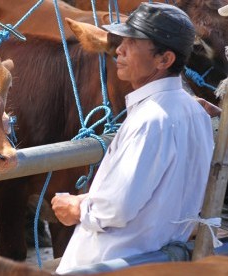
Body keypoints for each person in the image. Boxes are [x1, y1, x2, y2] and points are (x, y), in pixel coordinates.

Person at [52, 3, 215, 273]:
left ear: (164, 60)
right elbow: (156, 195)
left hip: (114, 262)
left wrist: (78, 209)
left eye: (133, 42)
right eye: (123, 40)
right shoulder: (194, 112)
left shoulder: (151, 119)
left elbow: (118, 207)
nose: (119, 49)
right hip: (159, 260)